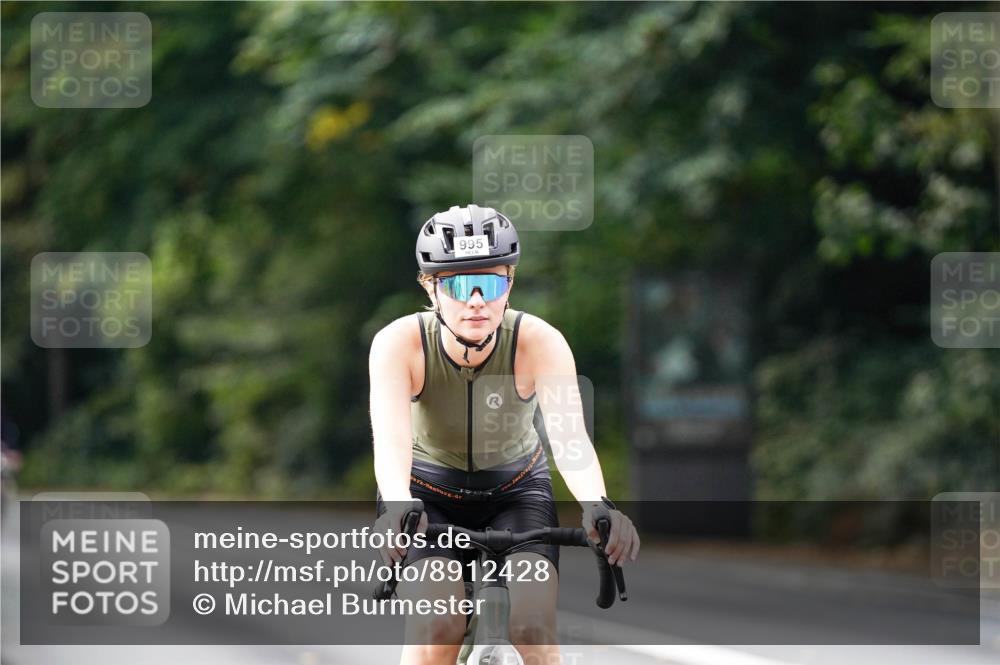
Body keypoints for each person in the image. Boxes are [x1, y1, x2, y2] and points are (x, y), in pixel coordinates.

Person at [370, 204, 639, 665]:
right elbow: (392, 442)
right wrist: (397, 504)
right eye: (457, 284)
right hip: (427, 494)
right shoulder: (401, 343)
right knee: (437, 626)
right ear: (430, 287)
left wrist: (598, 503)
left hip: (518, 493)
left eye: (490, 283)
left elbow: (570, 438)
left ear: (509, 284)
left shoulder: (539, 341)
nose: (476, 300)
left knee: (533, 630)